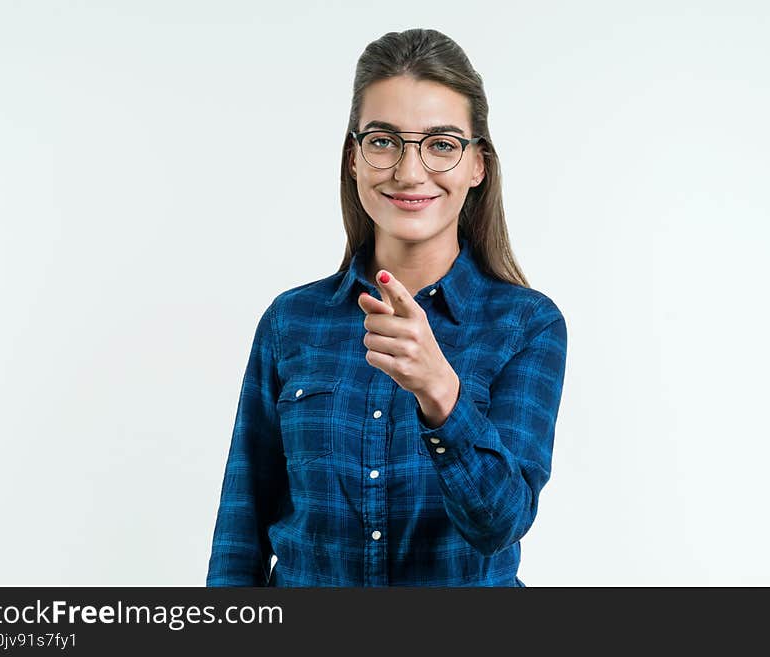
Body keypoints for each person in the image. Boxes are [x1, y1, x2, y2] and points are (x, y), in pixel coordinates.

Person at [206, 28, 567, 587]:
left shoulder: (526, 325)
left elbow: (500, 523)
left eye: (442, 144)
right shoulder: (291, 322)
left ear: (478, 166)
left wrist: (440, 392)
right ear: (354, 158)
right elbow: (241, 526)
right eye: (383, 140)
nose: (408, 171)